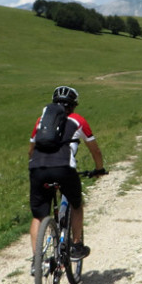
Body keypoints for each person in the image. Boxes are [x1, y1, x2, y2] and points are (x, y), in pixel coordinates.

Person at [28, 85, 106, 263]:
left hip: (37, 168)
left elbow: (31, 149)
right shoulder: (78, 120)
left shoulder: (41, 121)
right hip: (63, 167)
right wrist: (99, 169)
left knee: (38, 215)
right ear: (74, 105)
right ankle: (76, 246)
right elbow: (95, 150)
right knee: (76, 203)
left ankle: (37, 260)